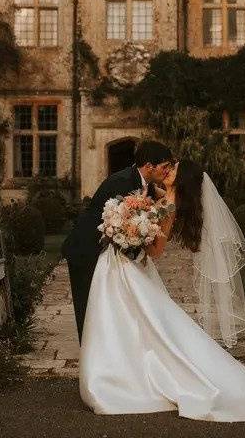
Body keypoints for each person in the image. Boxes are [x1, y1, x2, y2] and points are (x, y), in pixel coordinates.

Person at [78, 159, 245, 422]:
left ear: (182, 180)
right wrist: (126, 218)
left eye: (175, 170)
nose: (168, 170)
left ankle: (122, 378)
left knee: (145, 323)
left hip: (134, 263)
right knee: (134, 322)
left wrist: (132, 233)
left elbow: (156, 251)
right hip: (127, 265)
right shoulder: (162, 195)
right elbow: (144, 207)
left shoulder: (170, 207)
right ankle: (123, 371)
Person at [61, 140, 174, 342]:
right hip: (85, 248)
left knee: (105, 303)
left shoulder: (144, 184)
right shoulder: (122, 181)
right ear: (149, 166)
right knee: (87, 305)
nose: (166, 172)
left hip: (105, 248)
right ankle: (91, 349)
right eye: (165, 167)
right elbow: (119, 223)